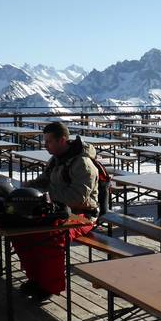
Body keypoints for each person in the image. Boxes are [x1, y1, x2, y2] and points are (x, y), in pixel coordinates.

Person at [11, 122, 99, 301]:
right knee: (23, 232)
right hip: (58, 210)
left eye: (49, 141)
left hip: (82, 215)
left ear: (62, 140)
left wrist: (47, 196)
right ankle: (35, 279)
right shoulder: (57, 159)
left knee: (51, 235)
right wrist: (27, 188)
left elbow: (78, 198)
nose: (45, 146)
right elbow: (44, 181)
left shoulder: (82, 163)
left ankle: (50, 286)